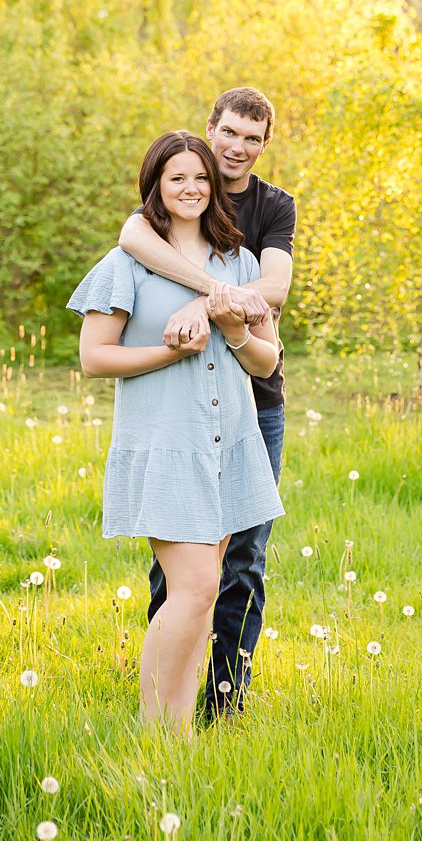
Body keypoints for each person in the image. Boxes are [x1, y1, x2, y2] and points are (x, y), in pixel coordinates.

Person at [69, 130, 285, 730]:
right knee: (190, 591)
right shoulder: (125, 265)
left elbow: (268, 360)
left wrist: (232, 326)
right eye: (176, 178)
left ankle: (178, 733)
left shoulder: (238, 263)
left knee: (205, 593)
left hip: (231, 444)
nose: (190, 188)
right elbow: (94, 357)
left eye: (199, 178)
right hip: (166, 446)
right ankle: (156, 732)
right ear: (156, 188)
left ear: (214, 187)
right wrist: (171, 354)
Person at [122, 87, 296, 719]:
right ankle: (165, 697)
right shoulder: (188, 183)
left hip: (254, 398)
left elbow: (272, 288)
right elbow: (133, 238)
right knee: (179, 561)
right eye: (229, 132)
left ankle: (225, 702)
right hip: (183, 401)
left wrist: (207, 304)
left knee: (242, 556)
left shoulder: (273, 206)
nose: (237, 147)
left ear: (264, 145)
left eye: (252, 138)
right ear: (210, 130)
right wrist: (213, 292)